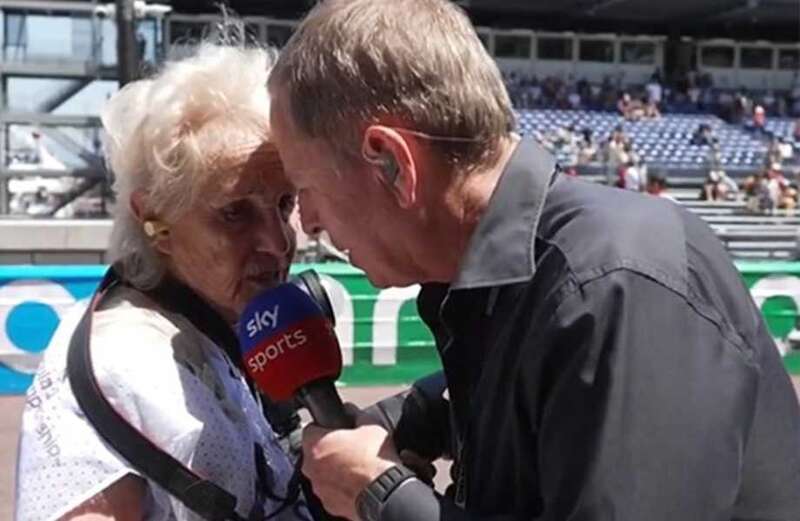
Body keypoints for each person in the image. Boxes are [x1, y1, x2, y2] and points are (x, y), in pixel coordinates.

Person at [267, 0, 800, 520]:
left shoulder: (618, 284)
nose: (307, 222)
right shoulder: (529, 281)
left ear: (391, 163)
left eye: (305, 189)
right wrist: (411, 419)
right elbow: (535, 397)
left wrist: (384, 496)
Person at [15, 41, 310, 521]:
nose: (277, 243)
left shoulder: (204, 322)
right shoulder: (121, 365)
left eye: (284, 205)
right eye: (235, 214)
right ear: (155, 218)